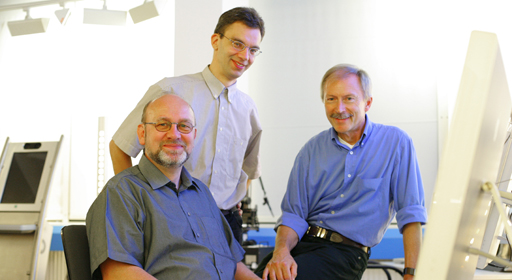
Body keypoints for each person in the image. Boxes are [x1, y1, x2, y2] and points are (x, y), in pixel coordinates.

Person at [254, 64, 427, 280]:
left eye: (349, 99)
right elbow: (294, 215)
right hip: (303, 246)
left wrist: (412, 274)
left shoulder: (396, 143)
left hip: (346, 253)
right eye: (331, 99)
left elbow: (411, 214)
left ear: (368, 103)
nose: (340, 108)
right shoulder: (311, 150)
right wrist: (281, 253)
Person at [109, 7, 265, 244]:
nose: (245, 56)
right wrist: (132, 202)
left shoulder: (249, 109)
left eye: (253, 49)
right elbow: (120, 146)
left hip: (227, 224)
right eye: (237, 43)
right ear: (216, 41)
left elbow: (248, 170)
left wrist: (233, 203)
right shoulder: (170, 91)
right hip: (172, 217)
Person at [86, 94, 261, 280]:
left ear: (193, 135)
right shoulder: (121, 193)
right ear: (142, 134)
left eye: (184, 126)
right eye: (163, 124)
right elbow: (119, 273)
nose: (174, 134)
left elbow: (233, 264)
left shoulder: (202, 193)